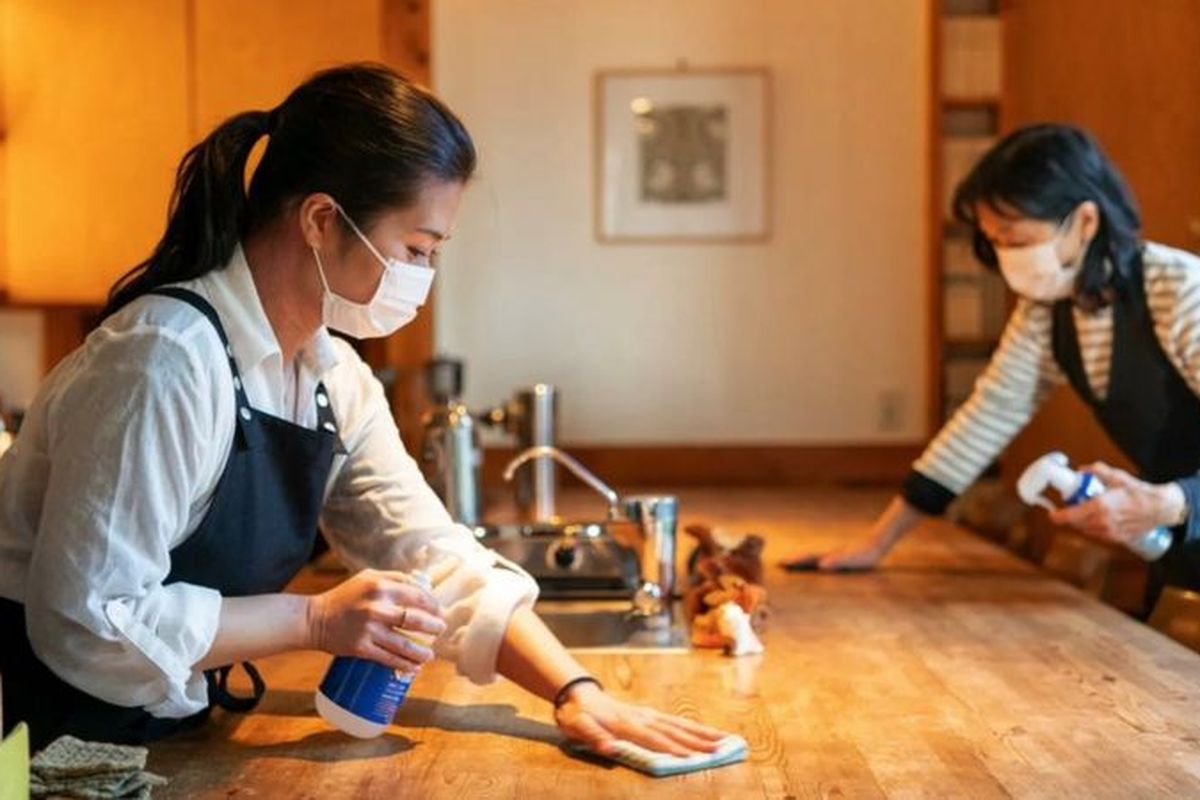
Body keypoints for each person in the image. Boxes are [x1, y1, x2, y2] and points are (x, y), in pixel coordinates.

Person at [0, 63, 726, 756]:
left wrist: (577, 690)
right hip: (35, 731)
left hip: (168, 734)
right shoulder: (163, 360)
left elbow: (433, 559)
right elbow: (89, 620)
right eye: (416, 248)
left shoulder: (330, 371)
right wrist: (313, 620)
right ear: (320, 219)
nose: (423, 277)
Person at [785, 123, 1200, 598]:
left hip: (1180, 518)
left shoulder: (1180, 292)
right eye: (994, 241)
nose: (1007, 257)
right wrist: (877, 544)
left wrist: (1172, 501)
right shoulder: (1050, 309)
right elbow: (987, 418)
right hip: (1178, 547)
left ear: (1085, 221)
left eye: (1017, 239)